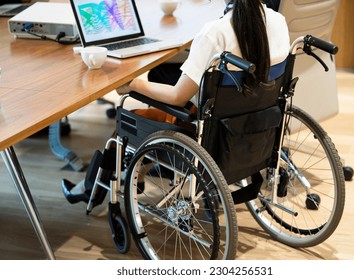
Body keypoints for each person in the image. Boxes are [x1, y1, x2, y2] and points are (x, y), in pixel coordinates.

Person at [62, 0, 290, 204]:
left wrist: (131, 84)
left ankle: (91, 187)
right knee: (162, 73)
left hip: (209, 135)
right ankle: (138, 175)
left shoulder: (215, 32)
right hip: (252, 125)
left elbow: (177, 97)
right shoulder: (278, 21)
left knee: (131, 114)